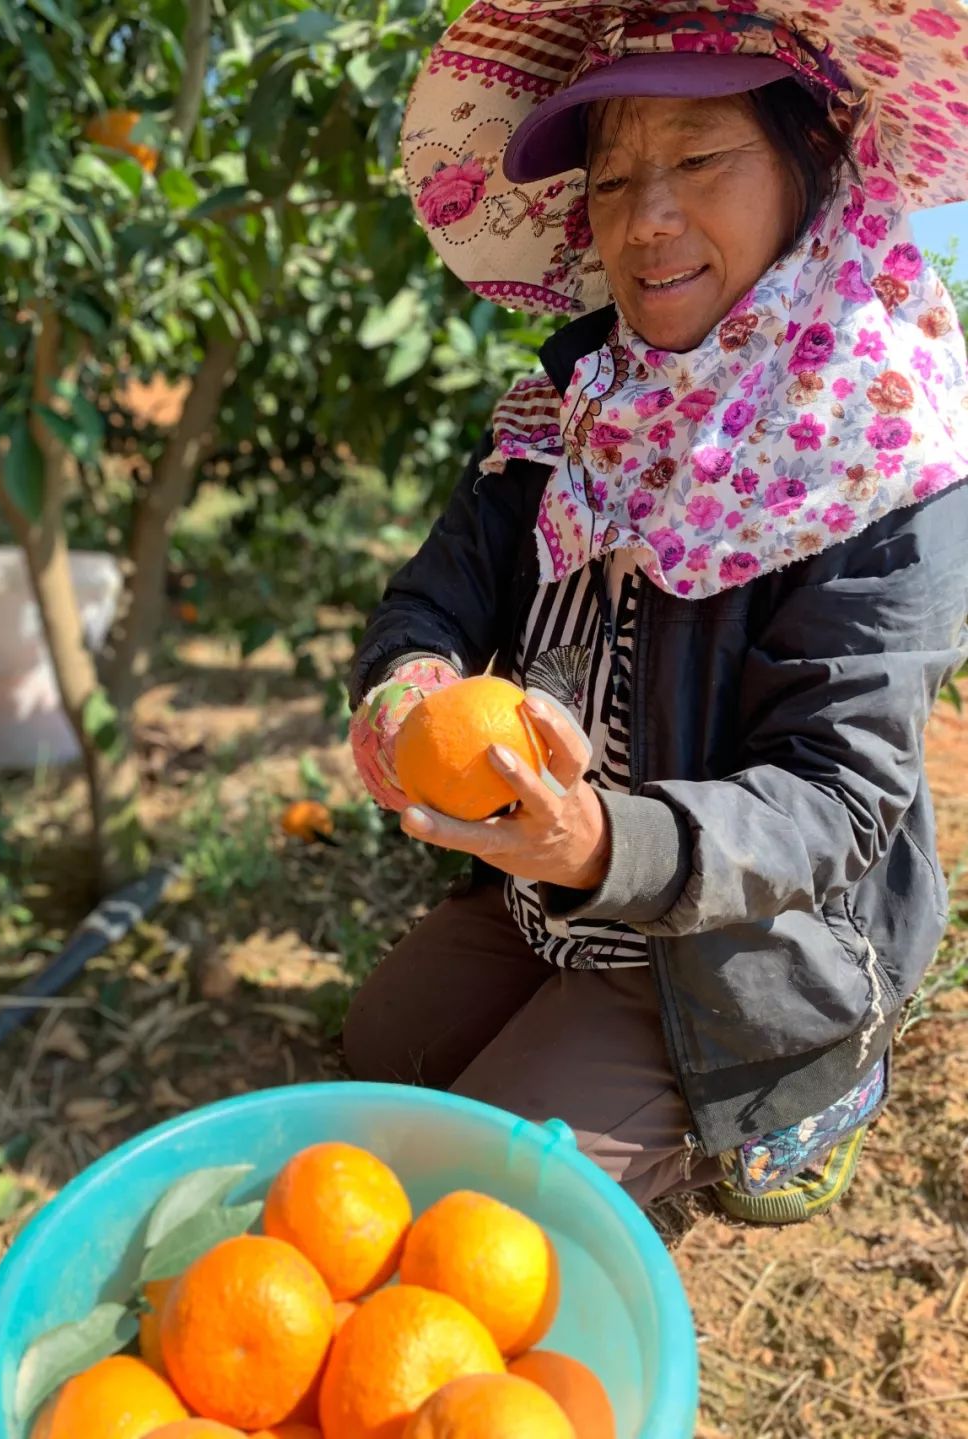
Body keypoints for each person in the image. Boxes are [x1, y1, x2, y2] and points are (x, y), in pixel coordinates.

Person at [343, 0, 968, 1222]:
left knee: (488, 1204)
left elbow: (835, 796)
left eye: (699, 158)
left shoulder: (880, 451)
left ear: (812, 161)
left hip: (744, 942)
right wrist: (407, 683)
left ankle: (806, 1080)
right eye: (615, 177)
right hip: (555, 888)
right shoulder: (579, 402)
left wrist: (605, 844)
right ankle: (569, 1004)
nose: (650, 216)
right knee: (383, 1053)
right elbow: (440, 590)